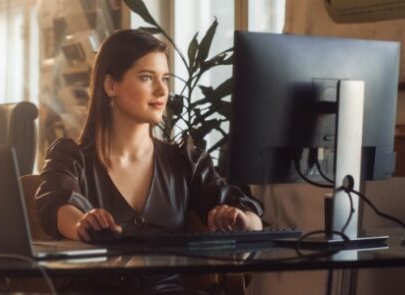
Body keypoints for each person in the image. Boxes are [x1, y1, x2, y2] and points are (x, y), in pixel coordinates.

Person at [36, 30, 264, 293]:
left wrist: (242, 221)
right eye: (146, 78)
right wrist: (81, 224)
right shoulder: (70, 156)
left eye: (164, 79)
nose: (161, 90)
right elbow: (56, 204)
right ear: (111, 85)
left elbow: (250, 216)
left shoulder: (185, 161)